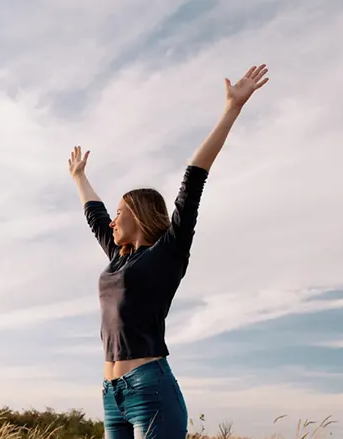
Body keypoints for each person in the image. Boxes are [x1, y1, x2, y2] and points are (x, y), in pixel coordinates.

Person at [67, 64, 270, 439]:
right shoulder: (119, 257)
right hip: (112, 394)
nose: (112, 221)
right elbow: (94, 216)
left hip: (150, 389)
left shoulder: (166, 254)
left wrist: (232, 110)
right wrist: (80, 177)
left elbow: (194, 178)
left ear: (139, 215)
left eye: (119, 213)